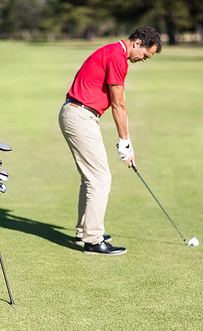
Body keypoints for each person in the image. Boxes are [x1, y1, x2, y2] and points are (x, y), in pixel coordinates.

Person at [59, 26, 162, 255]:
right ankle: (93, 241)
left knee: (91, 178)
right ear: (137, 43)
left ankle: (84, 231)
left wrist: (127, 141)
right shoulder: (117, 57)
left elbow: (118, 101)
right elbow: (118, 104)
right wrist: (124, 142)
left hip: (79, 114)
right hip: (80, 115)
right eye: (145, 55)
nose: (143, 60)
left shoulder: (113, 52)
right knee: (100, 179)